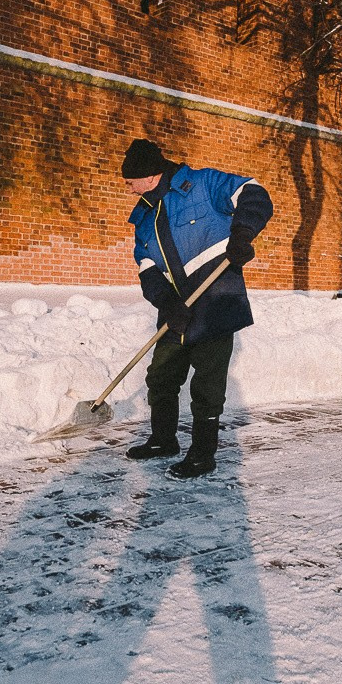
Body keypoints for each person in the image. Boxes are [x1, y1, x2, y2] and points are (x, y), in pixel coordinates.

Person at [119, 137, 273, 477]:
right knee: (160, 376)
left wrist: (243, 233)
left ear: (149, 175)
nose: (128, 189)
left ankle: (203, 455)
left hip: (216, 303)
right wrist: (167, 302)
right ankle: (163, 440)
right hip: (177, 311)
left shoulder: (202, 184)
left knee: (207, 386)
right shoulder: (144, 216)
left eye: (130, 181)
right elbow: (146, 268)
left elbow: (253, 192)